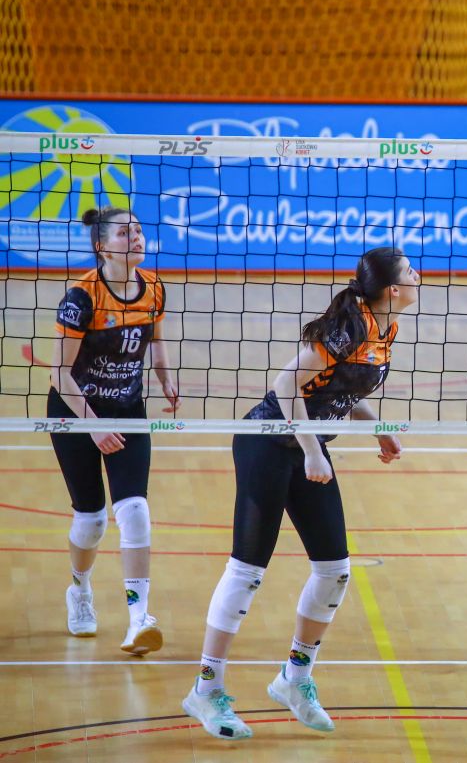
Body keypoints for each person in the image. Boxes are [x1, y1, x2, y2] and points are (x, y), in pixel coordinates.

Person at [181, 247, 419, 741]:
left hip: (306, 447)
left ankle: (294, 677)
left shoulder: (386, 329)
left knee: (335, 570)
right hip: (267, 442)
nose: (419, 276)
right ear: (393, 289)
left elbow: (338, 392)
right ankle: (206, 688)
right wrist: (312, 450)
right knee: (247, 571)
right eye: (410, 271)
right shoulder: (349, 329)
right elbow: (286, 385)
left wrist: (377, 427)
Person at [50, 206, 179, 654]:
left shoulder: (154, 287)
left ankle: (139, 618)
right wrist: (93, 426)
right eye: (125, 233)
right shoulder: (81, 297)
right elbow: (59, 373)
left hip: (127, 410)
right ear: (102, 246)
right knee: (91, 519)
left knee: (135, 510)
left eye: (138, 230)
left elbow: (156, 340)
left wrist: (165, 378)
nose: (136, 238)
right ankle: (80, 589)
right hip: (74, 412)